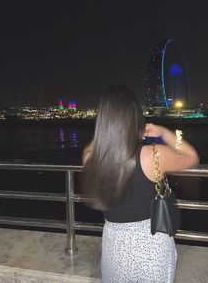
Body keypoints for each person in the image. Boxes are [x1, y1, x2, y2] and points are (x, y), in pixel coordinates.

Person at [81, 84, 199, 283]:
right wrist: (163, 131)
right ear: (135, 118)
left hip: (114, 249)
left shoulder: (91, 158)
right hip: (152, 248)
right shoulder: (153, 154)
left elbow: (91, 147)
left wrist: (106, 135)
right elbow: (191, 156)